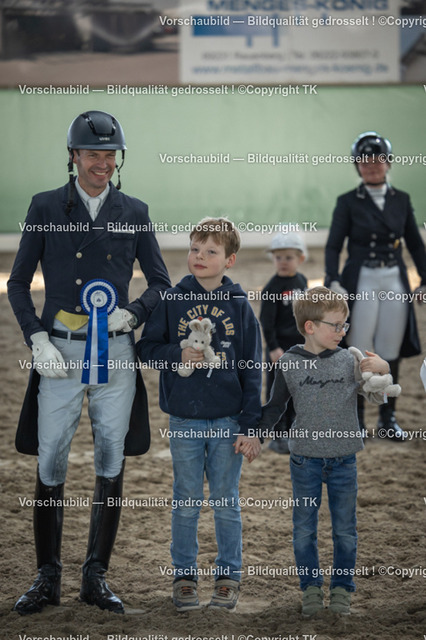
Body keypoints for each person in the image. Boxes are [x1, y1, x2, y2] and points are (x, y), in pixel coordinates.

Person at [7, 110, 171, 615]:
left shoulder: (134, 211)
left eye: (110, 155)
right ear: (74, 156)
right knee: (51, 457)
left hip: (114, 353)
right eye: (94, 154)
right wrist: (36, 337)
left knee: (111, 457)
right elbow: (17, 283)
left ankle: (95, 576)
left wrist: (133, 314)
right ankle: (47, 577)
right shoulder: (44, 206)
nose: (103, 163)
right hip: (58, 353)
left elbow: (160, 283)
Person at [137, 217, 262, 612]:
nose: (200, 256)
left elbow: (253, 369)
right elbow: (146, 349)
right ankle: (184, 576)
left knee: (226, 501)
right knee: (186, 499)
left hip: (228, 421)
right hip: (185, 421)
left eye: (211, 251)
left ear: (229, 260)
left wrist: (251, 425)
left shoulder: (239, 305)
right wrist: (177, 356)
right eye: (195, 249)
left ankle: (228, 577)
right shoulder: (172, 300)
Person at [257, 286, 392, 617]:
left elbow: (375, 393)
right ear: (310, 326)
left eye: (345, 325)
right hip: (304, 460)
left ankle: (342, 589)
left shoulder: (350, 359)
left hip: (345, 459)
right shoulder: (288, 363)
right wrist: (256, 436)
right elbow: (275, 406)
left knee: (345, 530)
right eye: (336, 325)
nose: (342, 331)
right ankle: (311, 589)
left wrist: (383, 368)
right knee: (305, 529)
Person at [325, 132, 426, 440]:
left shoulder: (401, 200)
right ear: (357, 165)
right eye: (364, 161)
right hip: (362, 279)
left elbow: (415, 244)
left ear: (387, 163)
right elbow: (333, 246)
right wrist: (333, 279)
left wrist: (425, 279)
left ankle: (387, 418)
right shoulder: (347, 201)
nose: (371, 165)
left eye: (377, 160)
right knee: (358, 346)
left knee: (390, 346)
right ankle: (355, 419)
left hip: (393, 277)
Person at [259, 232, 307, 454]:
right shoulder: (272, 287)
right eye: (278, 257)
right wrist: (273, 347)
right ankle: (278, 434)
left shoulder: (302, 281)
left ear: (300, 259)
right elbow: (266, 321)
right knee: (277, 392)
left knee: (298, 389)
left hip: (300, 348)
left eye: (289, 257)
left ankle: (293, 430)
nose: (283, 262)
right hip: (279, 349)